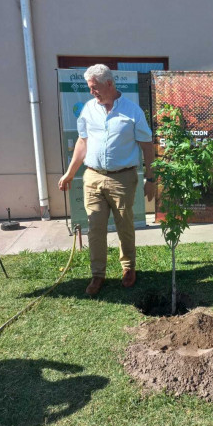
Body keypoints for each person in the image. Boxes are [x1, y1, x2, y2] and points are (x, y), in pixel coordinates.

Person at [58, 64, 155, 295]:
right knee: (95, 228)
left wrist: (150, 178)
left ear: (109, 84)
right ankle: (97, 274)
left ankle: (128, 268)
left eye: (95, 88)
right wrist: (70, 173)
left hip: (123, 178)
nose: (92, 92)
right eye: (90, 88)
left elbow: (147, 146)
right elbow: (82, 142)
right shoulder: (89, 109)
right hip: (92, 177)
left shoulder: (133, 111)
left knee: (125, 225)